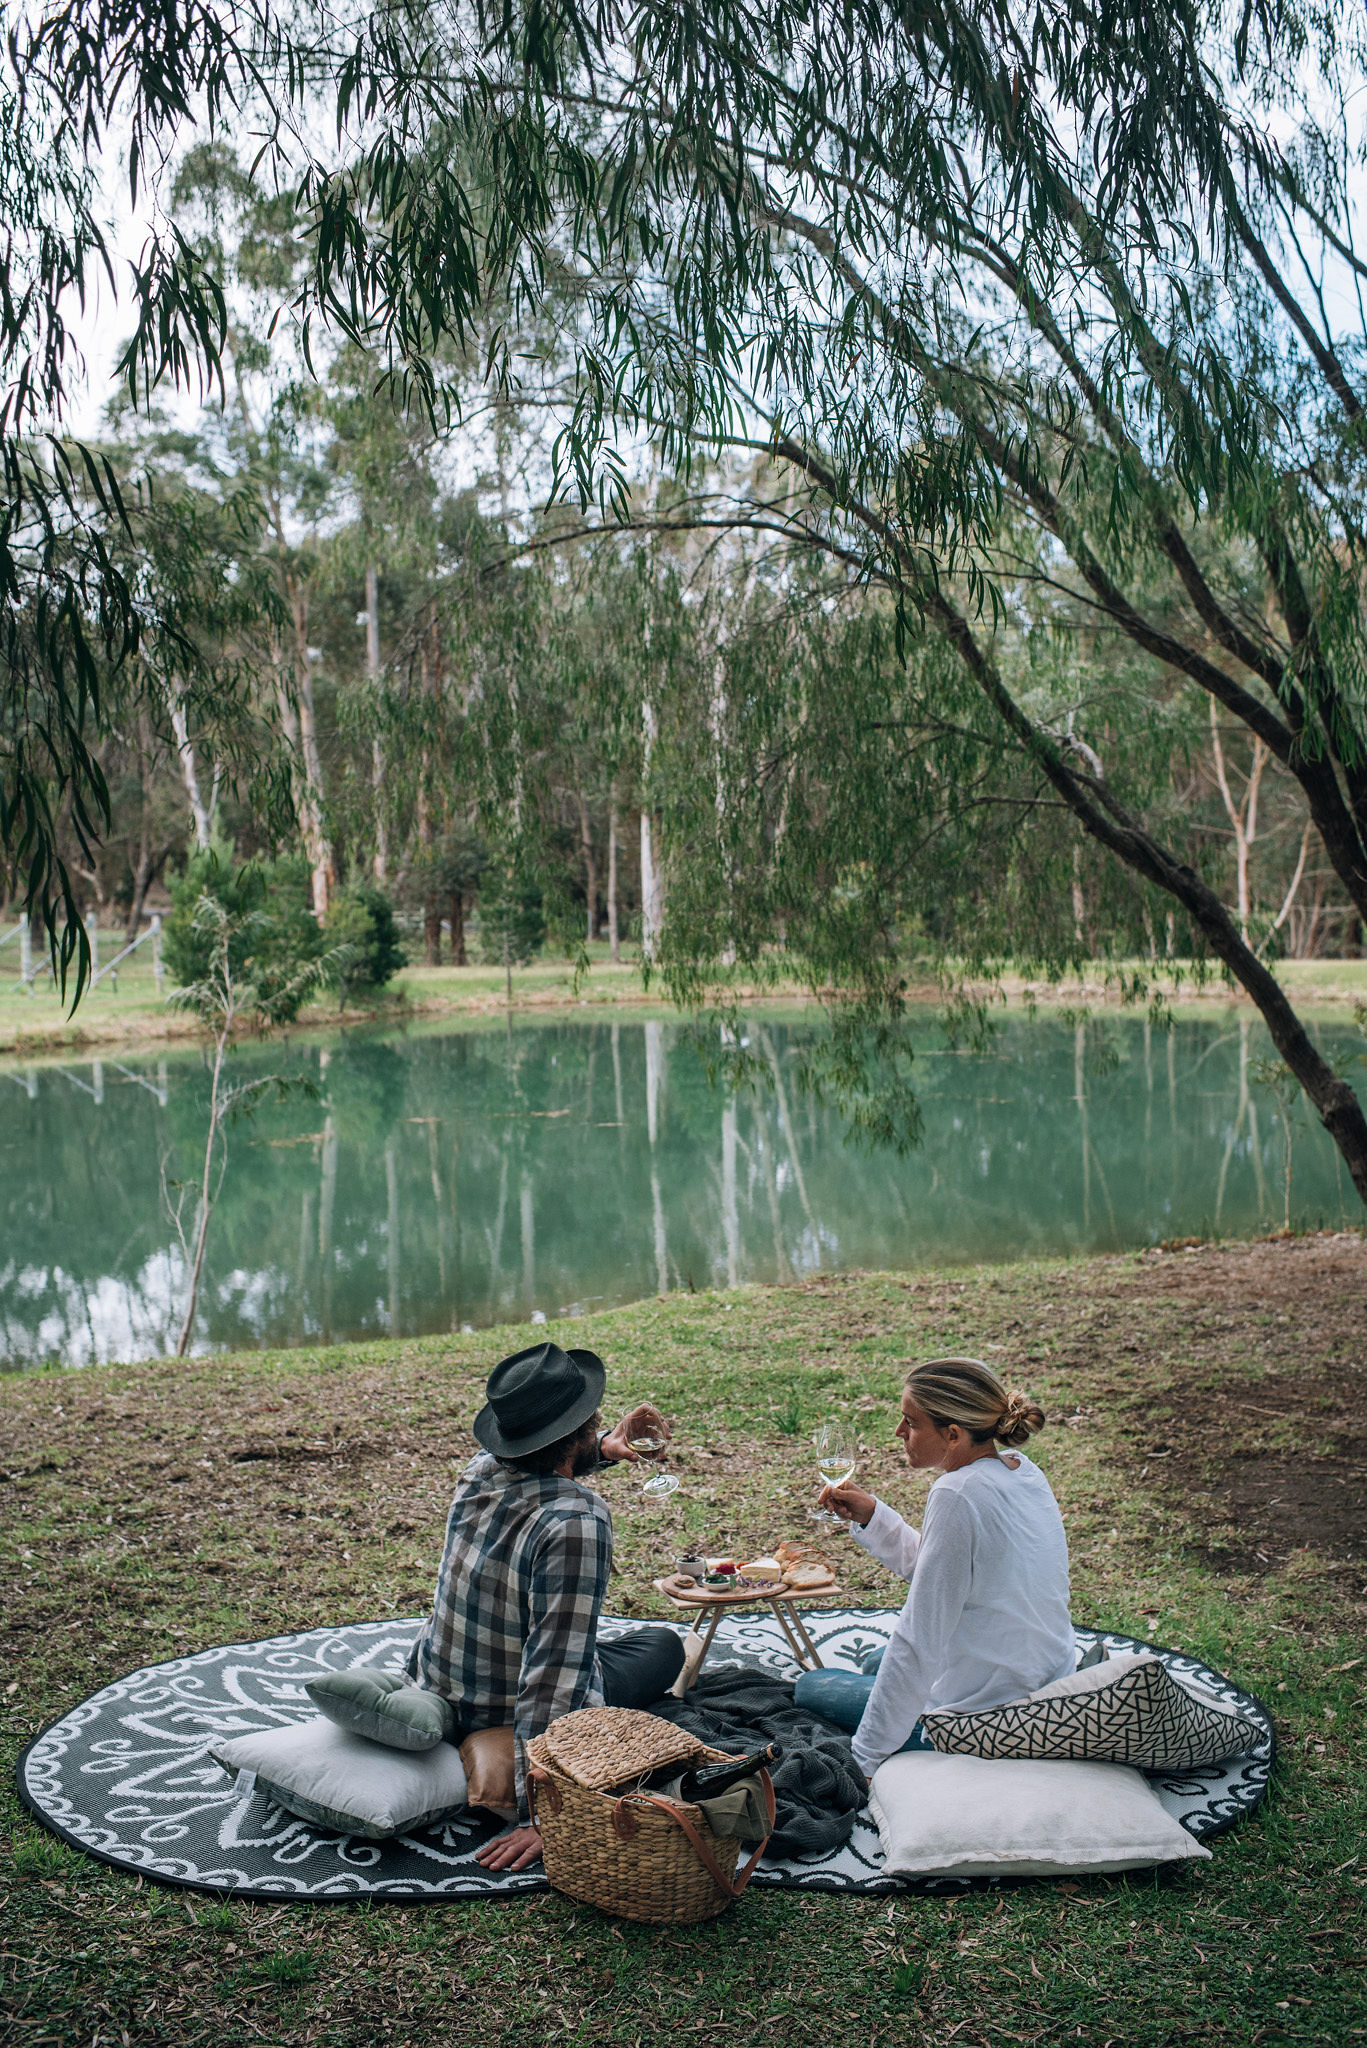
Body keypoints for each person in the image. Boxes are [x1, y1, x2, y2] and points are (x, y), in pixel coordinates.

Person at [406, 1339, 686, 1872]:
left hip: (437, 1681)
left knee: (609, 1644)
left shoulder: (480, 1469)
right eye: (593, 1422)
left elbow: (547, 1471)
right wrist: (540, 1811)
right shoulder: (577, 1520)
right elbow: (555, 1670)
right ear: (575, 1432)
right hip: (502, 1705)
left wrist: (603, 1449)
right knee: (664, 1645)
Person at [795, 1356, 1074, 1781]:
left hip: (986, 1712)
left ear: (953, 1434)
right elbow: (948, 1573)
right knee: (874, 1661)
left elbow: (919, 1639)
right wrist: (874, 1516)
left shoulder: (957, 1493)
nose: (898, 1432)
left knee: (811, 1688)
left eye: (910, 1422)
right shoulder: (1020, 1471)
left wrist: (866, 1759)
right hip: (1044, 1671)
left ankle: (915, 1727)